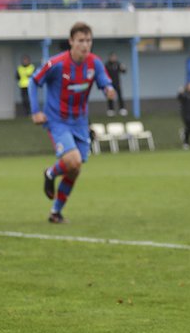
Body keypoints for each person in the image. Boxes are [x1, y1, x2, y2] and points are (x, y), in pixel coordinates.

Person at [28, 22, 116, 223]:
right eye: (81, 40)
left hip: (80, 123)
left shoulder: (95, 63)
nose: (85, 45)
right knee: (73, 161)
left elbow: (104, 81)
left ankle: (55, 212)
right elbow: (34, 81)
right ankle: (50, 174)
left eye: (88, 40)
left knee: (75, 169)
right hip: (58, 121)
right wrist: (35, 112)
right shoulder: (57, 63)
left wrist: (109, 89)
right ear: (71, 42)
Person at [105, 52, 127, 117]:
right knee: (110, 96)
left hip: (117, 83)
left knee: (120, 96)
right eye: (112, 57)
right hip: (110, 84)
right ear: (110, 57)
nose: (114, 58)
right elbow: (104, 74)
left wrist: (123, 68)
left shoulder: (118, 64)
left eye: (115, 57)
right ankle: (111, 110)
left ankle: (122, 109)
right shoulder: (107, 65)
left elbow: (124, 71)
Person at [177, 82, 190, 149]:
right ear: (187, 87)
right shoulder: (185, 94)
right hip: (186, 115)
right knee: (189, 128)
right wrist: (180, 93)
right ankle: (186, 143)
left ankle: (184, 132)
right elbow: (180, 98)